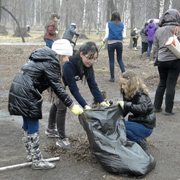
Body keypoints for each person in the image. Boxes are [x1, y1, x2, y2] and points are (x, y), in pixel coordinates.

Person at [8, 39, 83, 170]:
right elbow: (58, 87)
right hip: (27, 92)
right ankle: (36, 160)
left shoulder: (43, 58)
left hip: (17, 89)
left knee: (27, 124)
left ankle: (31, 155)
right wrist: (72, 105)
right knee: (33, 123)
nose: (66, 60)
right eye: (65, 56)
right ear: (59, 54)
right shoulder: (51, 63)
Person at [46, 41, 109, 149]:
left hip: (63, 81)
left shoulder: (88, 65)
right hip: (54, 79)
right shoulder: (69, 63)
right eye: (89, 58)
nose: (92, 61)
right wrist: (85, 106)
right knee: (61, 106)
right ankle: (61, 139)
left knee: (57, 103)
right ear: (81, 54)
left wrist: (101, 101)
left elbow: (93, 85)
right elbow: (73, 89)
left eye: (94, 58)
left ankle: (50, 129)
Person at [117, 70, 156, 150]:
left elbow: (142, 108)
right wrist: (115, 114)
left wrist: (126, 105)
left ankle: (140, 141)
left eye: (124, 84)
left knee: (121, 127)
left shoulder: (141, 94)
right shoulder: (128, 92)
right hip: (138, 122)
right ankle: (138, 137)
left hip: (146, 126)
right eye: (121, 84)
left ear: (131, 84)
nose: (122, 87)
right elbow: (125, 110)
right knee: (118, 124)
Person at [153, 9, 180, 116]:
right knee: (171, 85)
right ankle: (168, 110)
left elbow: (155, 48)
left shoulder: (158, 30)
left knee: (162, 83)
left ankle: (156, 107)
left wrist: (156, 60)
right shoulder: (178, 29)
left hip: (162, 60)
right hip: (175, 60)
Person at [102, 11, 125, 82]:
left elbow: (107, 35)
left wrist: (103, 41)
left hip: (111, 43)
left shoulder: (108, 24)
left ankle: (112, 77)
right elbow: (124, 35)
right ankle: (125, 76)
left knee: (111, 60)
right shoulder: (122, 24)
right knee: (120, 59)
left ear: (112, 16)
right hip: (119, 43)